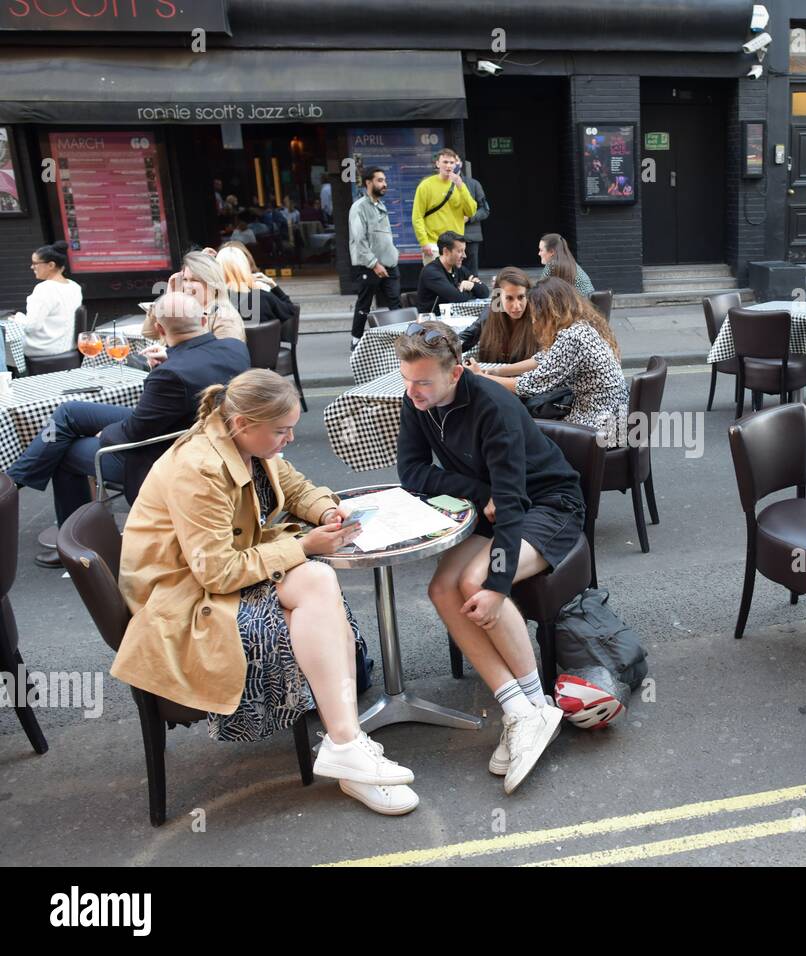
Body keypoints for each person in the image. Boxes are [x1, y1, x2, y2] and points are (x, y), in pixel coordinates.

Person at [111, 369, 418, 815]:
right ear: (242, 424)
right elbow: (215, 573)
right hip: (182, 602)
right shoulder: (197, 468)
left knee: (316, 580)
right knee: (312, 586)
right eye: (282, 430)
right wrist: (303, 544)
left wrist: (327, 511)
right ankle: (347, 748)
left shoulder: (249, 440)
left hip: (218, 578)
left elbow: (294, 486)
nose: (290, 438)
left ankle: (345, 745)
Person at [395, 321, 579, 793]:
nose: (413, 391)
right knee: (440, 589)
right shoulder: (416, 401)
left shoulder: (494, 404)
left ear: (455, 373)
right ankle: (517, 708)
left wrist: (498, 586)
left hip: (548, 504)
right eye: (407, 379)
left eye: (423, 382)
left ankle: (538, 708)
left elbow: (513, 501)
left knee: (476, 583)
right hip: (492, 504)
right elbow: (412, 473)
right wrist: (480, 492)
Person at [6, 293, 249, 566]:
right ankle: (16, 479)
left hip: (164, 453)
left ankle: (75, 544)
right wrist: (170, 357)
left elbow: (133, 433)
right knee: (69, 411)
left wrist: (104, 433)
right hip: (191, 433)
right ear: (204, 320)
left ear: (159, 328)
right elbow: (199, 366)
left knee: (63, 452)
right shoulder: (234, 348)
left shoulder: (169, 375)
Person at [467, 277, 628, 434]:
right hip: (613, 420)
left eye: (534, 313)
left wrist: (480, 376)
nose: (533, 320)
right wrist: (496, 372)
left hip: (600, 428)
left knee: (519, 429)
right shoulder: (581, 327)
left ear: (548, 312)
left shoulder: (572, 337)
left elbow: (527, 385)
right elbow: (542, 358)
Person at [142, 249, 244, 346]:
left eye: (194, 280)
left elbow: (227, 357)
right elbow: (149, 333)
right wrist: (169, 298)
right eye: (185, 279)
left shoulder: (225, 316)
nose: (187, 286)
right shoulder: (184, 310)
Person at [348, 166, 401, 348]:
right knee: (364, 304)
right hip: (370, 266)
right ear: (368, 183)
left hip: (390, 264)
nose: (384, 184)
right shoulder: (359, 208)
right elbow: (359, 239)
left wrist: (394, 254)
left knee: (396, 302)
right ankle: (355, 342)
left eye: (385, 180)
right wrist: (374, 264)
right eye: (380, 180)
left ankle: (402, 341)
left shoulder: (381, 205)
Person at [10, 241, 81, 357]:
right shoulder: (74, 286)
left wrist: (17, 317)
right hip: (68, 347)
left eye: (35, 263)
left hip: (44, 349)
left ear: (51, 265)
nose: (32, 267)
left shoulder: (44, 289)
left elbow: (31, 327)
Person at [460, 266, 539, 364]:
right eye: (509, 298)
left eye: (521, 297)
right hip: (492, 377)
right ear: (498, 297)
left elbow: (544, 360)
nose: (517, 306)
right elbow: (463, 340)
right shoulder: (489, 315)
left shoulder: (537, 317)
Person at [412, 148, 477, 267]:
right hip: (433, 244)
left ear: (456, 165)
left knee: (455, 282)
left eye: (452, 163)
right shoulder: (426, 185)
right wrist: (424, 242)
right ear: (437, 164)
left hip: (456, 245)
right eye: (445, 162)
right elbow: (417, 217)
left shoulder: (461, 186)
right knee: (434, 282)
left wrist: (461, 187)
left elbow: (471, 211)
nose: (449, 166)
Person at [216, 245, 292, 327]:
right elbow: (290, 311)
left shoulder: (211, 301)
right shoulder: (263, 297)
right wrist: (273, 285)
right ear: (245, 267)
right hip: (264, 339)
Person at [416, 231, 488, 315]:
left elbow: (485, 292)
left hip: (454, 318)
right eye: (460, 251)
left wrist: (471, 285)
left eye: (464, 251)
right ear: (446, 251)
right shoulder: (431, 272)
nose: (464, 256)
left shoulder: (458, 268)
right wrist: (472, 291)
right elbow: (457, 298)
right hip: (433, 323)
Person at [538, 233, 595, 297]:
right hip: (588, 304)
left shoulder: (552, 265)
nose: (539, 253)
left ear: (552, 252)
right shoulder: (570, 263)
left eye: (541, 250)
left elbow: (540, 291)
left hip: (579, 304)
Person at [460, 161, 490, 277]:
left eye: (453, 161)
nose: (450, 165)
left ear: (459, 164)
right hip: (447, 236)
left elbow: (485, 210)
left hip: (470, 237)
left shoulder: (473, 184)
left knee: (471, 275)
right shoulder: (437, 185)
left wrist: (469, 218)